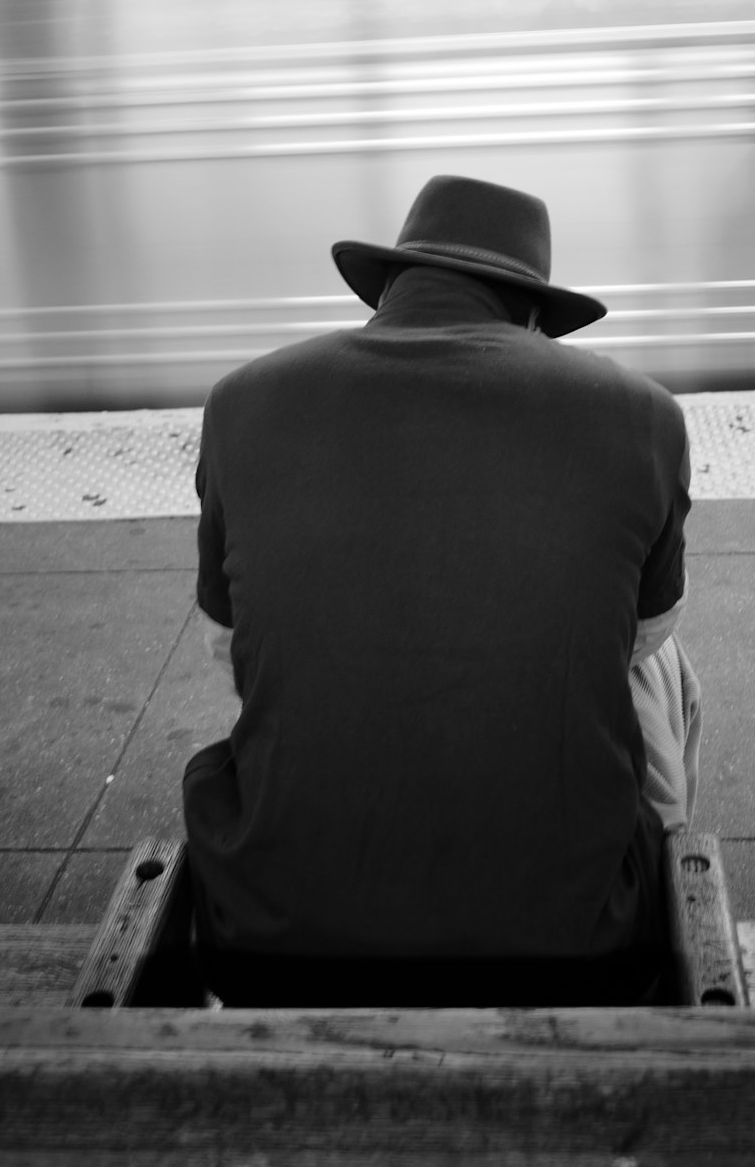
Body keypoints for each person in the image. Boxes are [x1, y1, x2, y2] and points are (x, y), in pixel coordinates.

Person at [184, 174, 701, 1003]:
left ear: (389, 288)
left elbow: (227, 642)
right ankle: (664, 868)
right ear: (531, 313)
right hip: (576, 951)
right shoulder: (643, 415)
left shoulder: (241, 402)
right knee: (659, 661)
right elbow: (647, 630)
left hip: (268, 944)